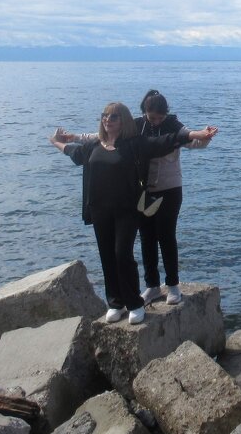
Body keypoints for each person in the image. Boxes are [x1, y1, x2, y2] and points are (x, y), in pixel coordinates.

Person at [49, 102, 218, 325]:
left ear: (124, 121)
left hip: (127, 210)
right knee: (107, 256)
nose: (108, 120)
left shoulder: (134, 144)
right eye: (105, 116)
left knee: (122, 255)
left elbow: (168, 140)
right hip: (99, 210)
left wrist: (199, 134)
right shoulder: (94, 145)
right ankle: (115, 303)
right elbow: (75, 153)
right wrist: (56, 142)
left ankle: (135, 303)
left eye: (114, 117)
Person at [132, 89, 210, 306]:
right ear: (145, 112)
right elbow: (108, 136)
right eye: (152, 117)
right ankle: (152, 286)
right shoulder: (138, 125)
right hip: (144, 190)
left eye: (160, 117)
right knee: (146, 238)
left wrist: (205, 138)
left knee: (166, 236)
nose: (156, 122)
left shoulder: (174, 125)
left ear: (166, 114)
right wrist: (76, 138)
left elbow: (192, 140)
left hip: (170, 189)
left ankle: (173, 285)